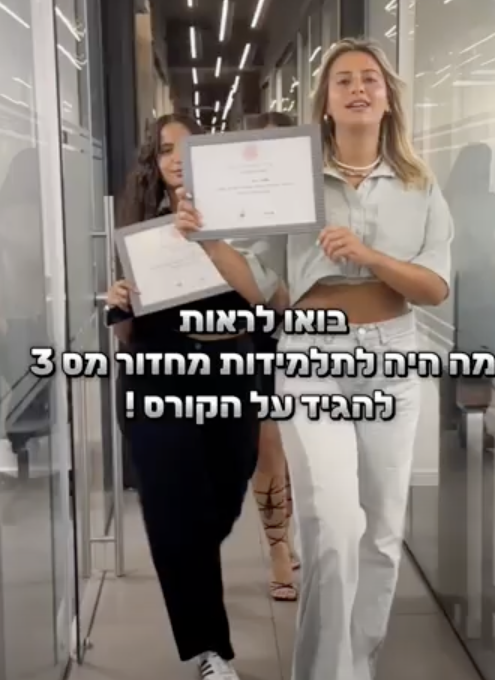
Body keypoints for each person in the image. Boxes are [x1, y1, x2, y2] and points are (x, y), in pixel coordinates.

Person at [178, 37, 453, 680]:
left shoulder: (419, 184)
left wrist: (370, 256)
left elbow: (435, 287)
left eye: (370, 79)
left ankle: (356, 667)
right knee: (332, 526)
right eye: (343, 81)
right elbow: (262, 288)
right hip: (312, 356)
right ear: (325, 102)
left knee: (381, 534)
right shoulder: (294, 185)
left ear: (388, 99)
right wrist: (208, 241)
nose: (358, 88)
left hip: (392, 357)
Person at [106, 113, 284, 680]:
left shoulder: (243, 216)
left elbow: (270, 300)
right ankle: (211, 650)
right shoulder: (141, 227)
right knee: (174, 512)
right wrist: (119, 303)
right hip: (156, 377)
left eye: (188, 149)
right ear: (154, 162)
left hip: (231, 372)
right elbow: (125, 332)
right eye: (165, 150)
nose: (176, 159)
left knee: (225, 493)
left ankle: (190, 555)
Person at [245, 111, 300, 602]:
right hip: (258, 332)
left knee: (300, 448)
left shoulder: (312, 200)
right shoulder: (237, 202)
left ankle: (289, 534)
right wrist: (272, 287)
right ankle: (279, 548)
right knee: (270, 444)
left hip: (314, 334)